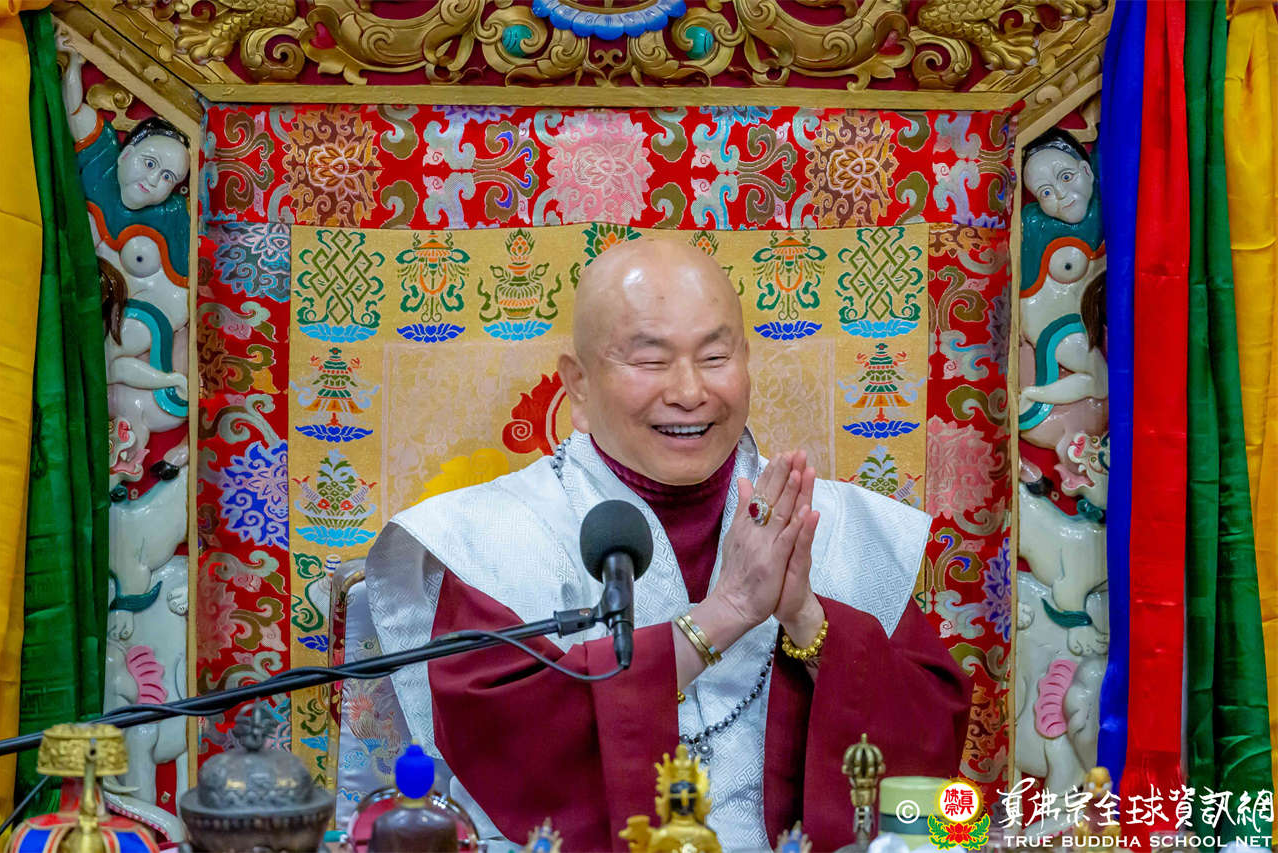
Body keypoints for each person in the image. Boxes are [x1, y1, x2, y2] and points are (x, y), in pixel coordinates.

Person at [366, 237, 971, 852]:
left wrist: (808, 619)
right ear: (578, 386)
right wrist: (725, 614)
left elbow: (928, 748)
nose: (689, 391)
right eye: (651, 361)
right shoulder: (492, 537)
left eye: (715, 357)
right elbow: (508, 751)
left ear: (747, 363)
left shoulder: (831, 526)